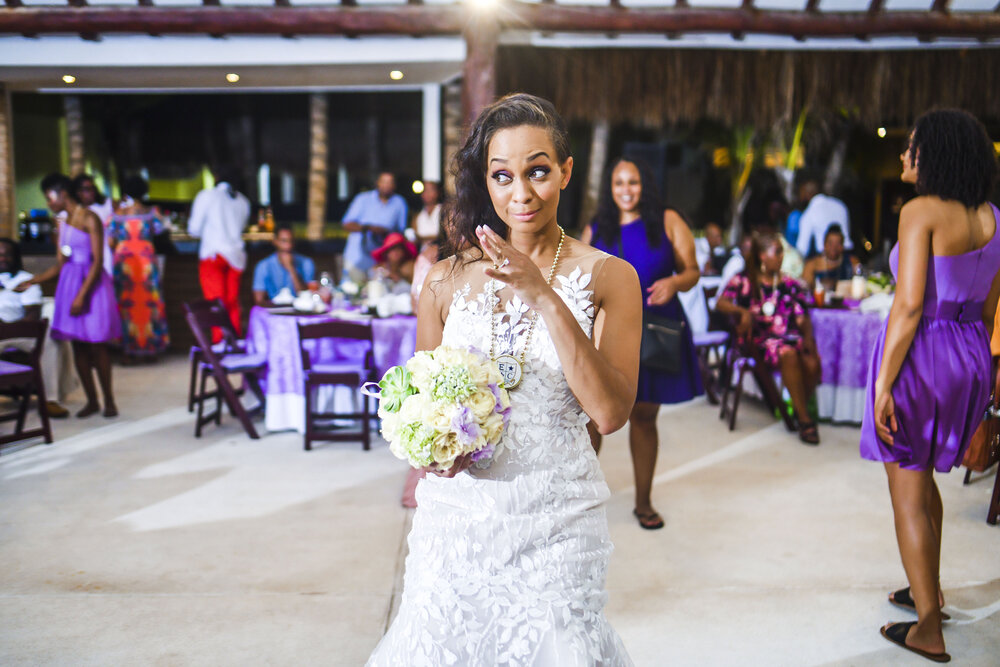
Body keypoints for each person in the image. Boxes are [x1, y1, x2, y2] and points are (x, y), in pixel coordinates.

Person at [368, 93, 638, 665]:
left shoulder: (611, 278)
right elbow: (417, 401)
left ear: (565, 171)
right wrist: (430, 450)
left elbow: (611, 414)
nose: (521, 193)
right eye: (502, 175)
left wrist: (544, 296)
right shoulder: (443, 280)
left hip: (557, 523)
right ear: (486, 183)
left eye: (538, 171)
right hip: (456, 525)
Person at [860, 109, 1000, 663]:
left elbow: (910, 304)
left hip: (922, 355)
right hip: (969, 354)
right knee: (927, 480)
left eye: (911, 146)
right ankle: (930, 592)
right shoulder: (993, 217)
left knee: (908, 491)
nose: (902, 155)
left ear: (934, 154)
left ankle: (927, 628)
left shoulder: (919, 212)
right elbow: (990, 305)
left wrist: (883, 385)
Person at [581, 156, 703, 530]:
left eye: (632, 182)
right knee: (594, 419)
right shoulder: (597, 227)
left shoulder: (667, 220)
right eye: (618, 183)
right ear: (610, 188)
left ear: (644, 185)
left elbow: (692, 271)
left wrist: (675, 283)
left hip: (655, 330)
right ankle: (580, 500)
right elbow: (580, 275)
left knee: (645, 417)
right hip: (606, 334)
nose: (626, 190)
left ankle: (644, 502)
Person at [18, 174, 120, 418]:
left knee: (97, 345)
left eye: (49, 197)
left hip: (92, 287)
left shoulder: (89, 217)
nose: (48, 202)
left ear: (62, 192)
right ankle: (92, 400)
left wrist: (82, 296)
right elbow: (60, 264)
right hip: (69, 285)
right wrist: (33, 280)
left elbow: (97, 261)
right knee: (78, 347)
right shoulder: (61, 224)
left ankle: (109, 401)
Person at [716, 232, 822, 444]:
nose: (782, 256)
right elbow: (721, 302)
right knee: (788, 354)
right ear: (763, 256)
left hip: (788, 337)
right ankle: (803, 419)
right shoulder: (744, 279)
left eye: (782, 251)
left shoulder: (790, 283)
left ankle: (793, 407)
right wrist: (742, 312)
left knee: (812, 362)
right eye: (777, 251)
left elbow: (801, 316)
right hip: (757, 341)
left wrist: (808, 337)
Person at [0, 238, 71, 418]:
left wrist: (7, 328)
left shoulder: (25, 280)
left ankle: (50, 400)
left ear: (15, 257)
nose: (3, 258)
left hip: (16, 332)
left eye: (7, 254)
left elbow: (32, 315)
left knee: (48, 338)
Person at [107, 175, 169, 359]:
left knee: (125, 303)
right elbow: (161, 230)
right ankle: (150, 347)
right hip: (146, 262)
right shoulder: (152, 212)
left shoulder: (117, 214)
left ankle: (126, 350)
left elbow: (110, 240)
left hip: (124, 260)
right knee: (150, 303)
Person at [187, 167, 250, 337]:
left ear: (217, 177)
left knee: (217, 304)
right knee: (232, 304)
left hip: (214, 255)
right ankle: (234, 343)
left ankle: (221, 344)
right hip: (236, 257)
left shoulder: (207, 196)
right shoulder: (243, 201)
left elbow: (194, 229)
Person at [341, 171, 407, 282]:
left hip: (381, 260)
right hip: (357, 256)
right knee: (352, 290)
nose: (386, 185)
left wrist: (385, 233)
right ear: (378, 183)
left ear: (394, 185)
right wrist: (368, 228)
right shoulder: (362, 199)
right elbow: (346, 224)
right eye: (384, 182)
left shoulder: (399, 203)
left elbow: (400, 232)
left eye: (390, 182)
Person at [794, 170, 853, 259]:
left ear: (807, 193)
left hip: (827, 258)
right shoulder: (840, 204)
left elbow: (802, 249)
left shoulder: (810, 212)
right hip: (848, 255)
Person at [252, 225, 316, 306]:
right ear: (275, 241)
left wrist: (291, 268)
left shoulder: (306, 263)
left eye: (291, 241)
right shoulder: (263, 266)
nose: (288, 245)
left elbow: (307, 297)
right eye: (284, 241)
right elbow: (258, 300)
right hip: (274, 311)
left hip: (300, 310)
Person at [72, 174, 114, 277]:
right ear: (78, 192)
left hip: (104, 256)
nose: (91, 192)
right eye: (87, 189)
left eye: (93, 188)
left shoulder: (105, 207)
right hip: (82, 260)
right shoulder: (73, 212)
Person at [411, 180, 441, 246]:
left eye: (431, 190)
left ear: (437, 193)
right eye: (425, 190)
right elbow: (414, 238)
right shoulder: (417, 216)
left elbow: (445, 236)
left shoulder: (444, 211)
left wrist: (422, 238)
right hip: (422, 252)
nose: (427, 193)